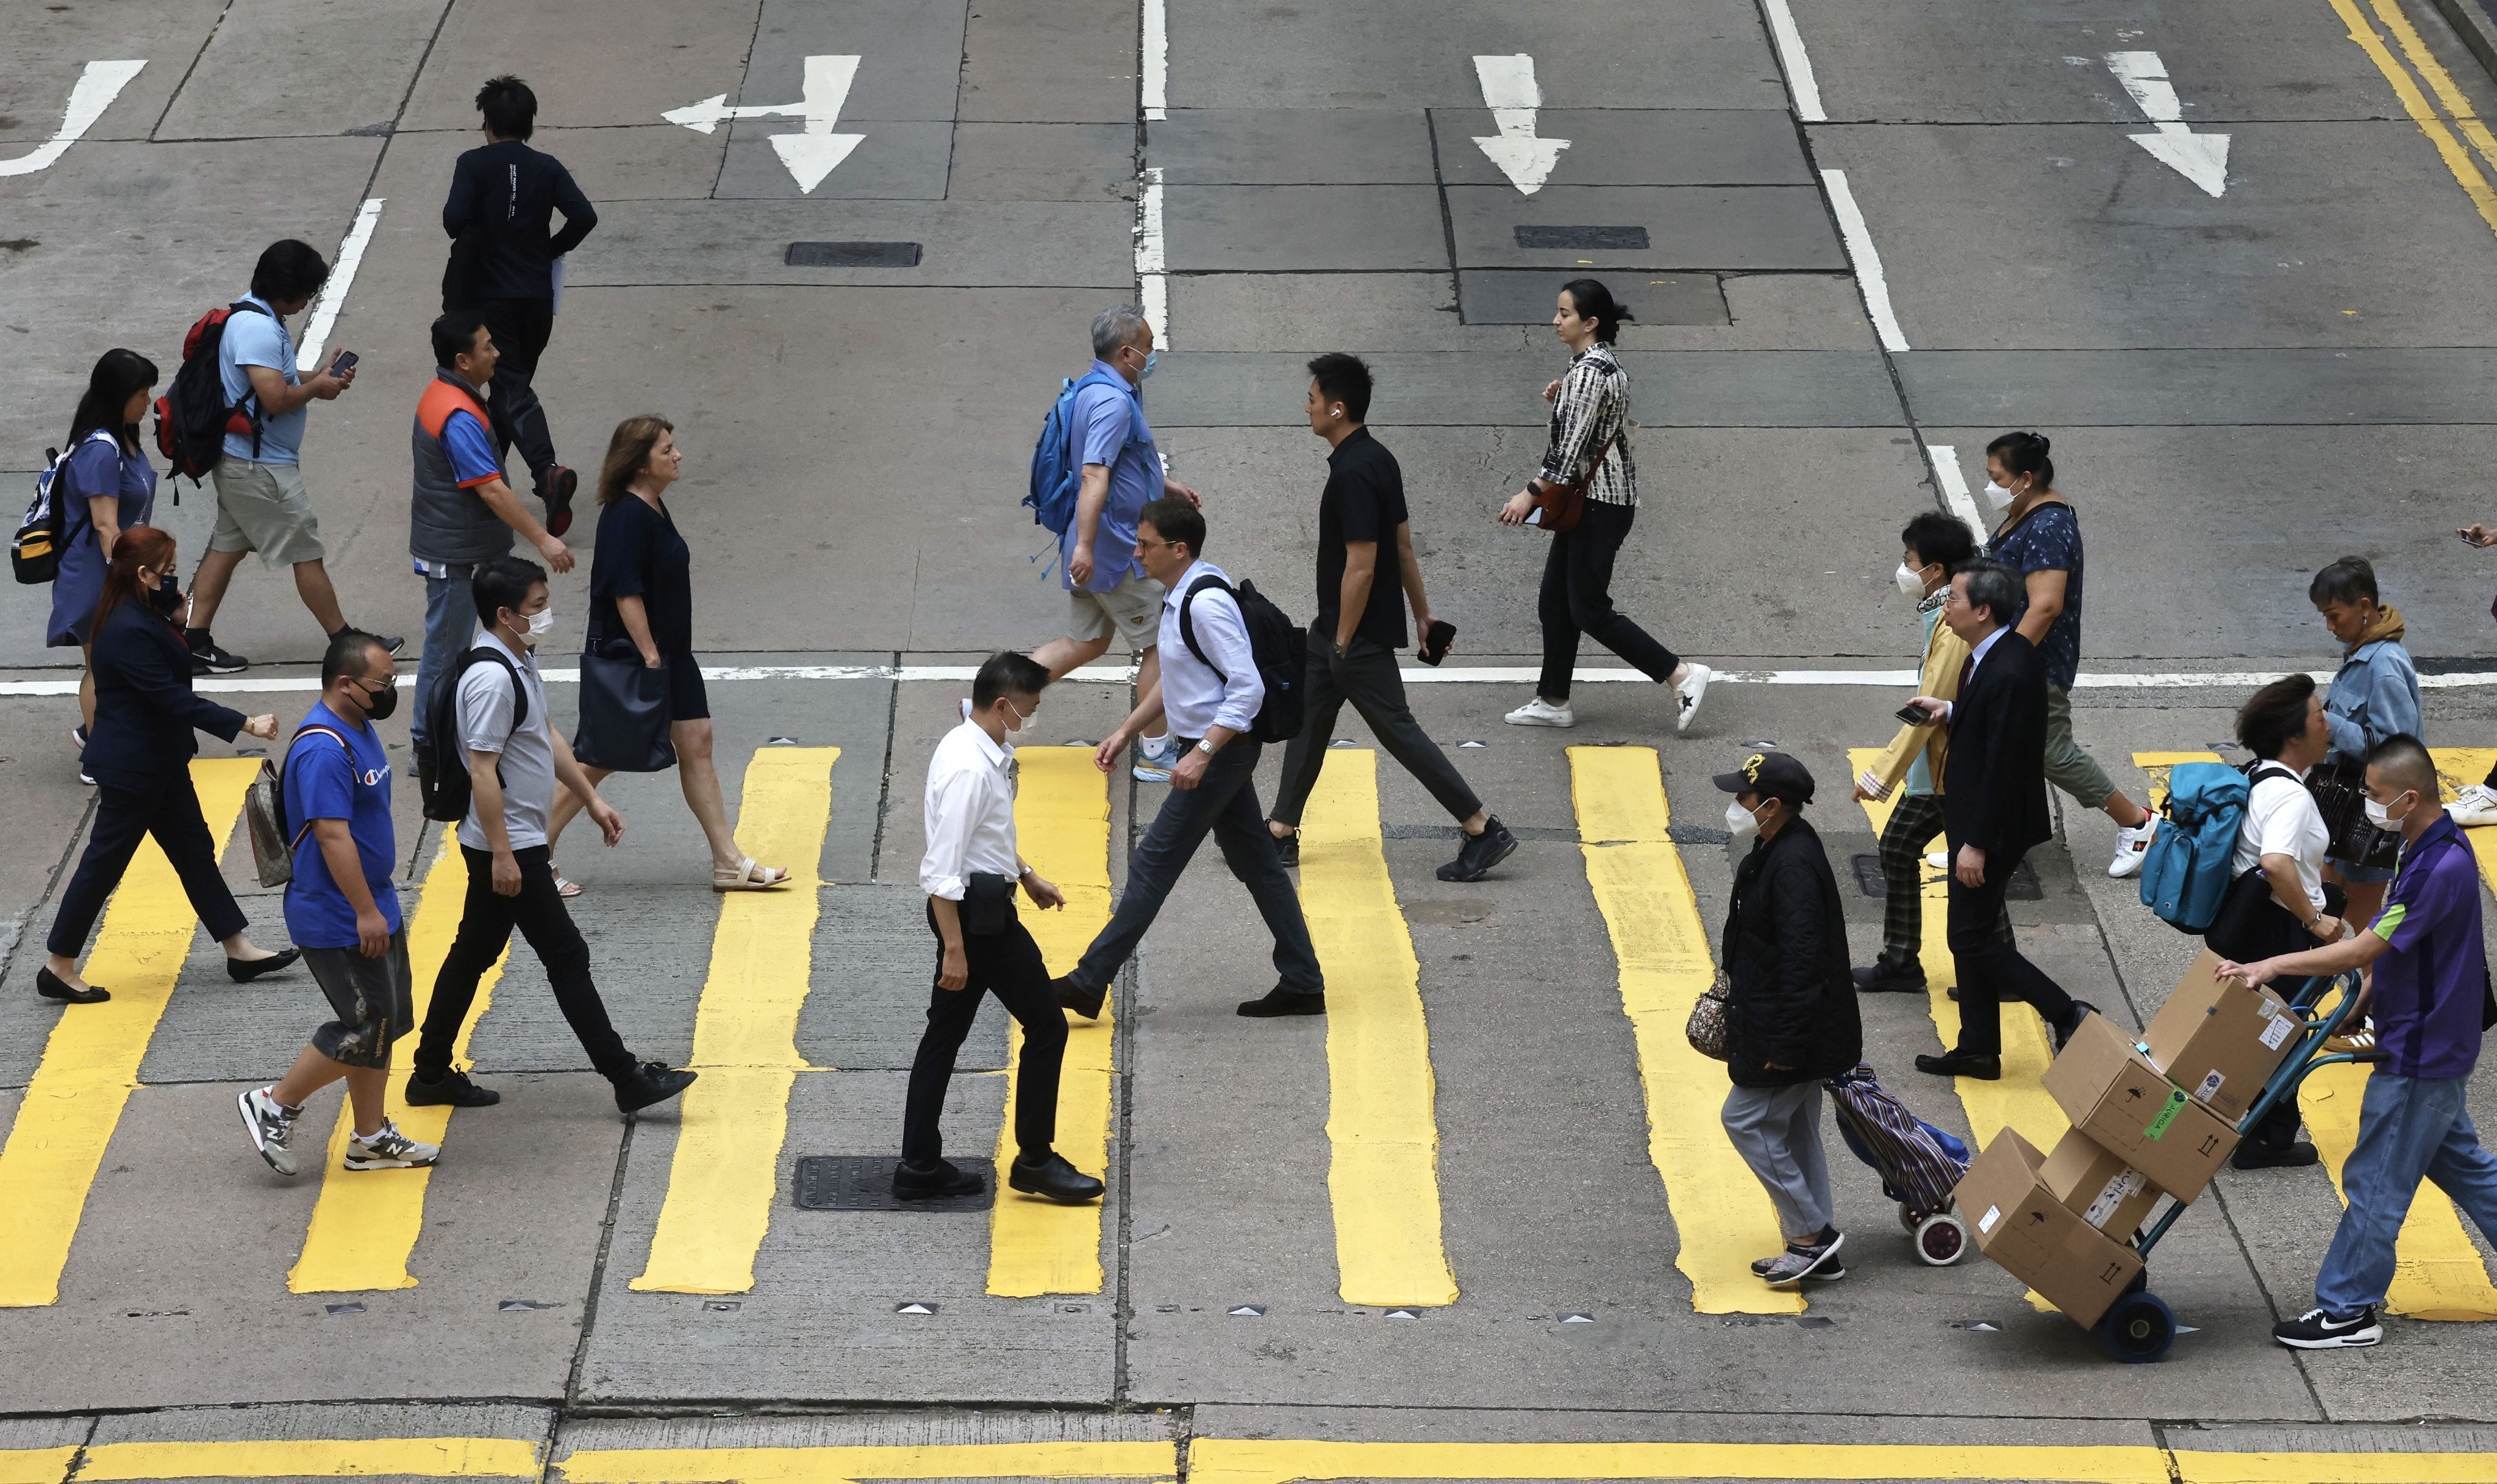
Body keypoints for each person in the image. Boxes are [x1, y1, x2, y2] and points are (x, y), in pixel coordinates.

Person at [2215, 735, 2497, 1351]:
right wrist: (2366, 1000)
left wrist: (2272, 965)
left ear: (2410, 797)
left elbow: (2366, 946)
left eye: (2373, 794)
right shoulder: (2424, 846)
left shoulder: (2438, 867)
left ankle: (2348, 1309)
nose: (2366, 802)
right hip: (2430, 1041)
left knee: (2375, 1180)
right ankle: (2350, 1303)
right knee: (2466, 1167)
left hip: (2422, 1051)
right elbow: (2391, 951)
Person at [403, 556, 697, 1115]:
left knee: (473, 954)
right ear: (504, 614)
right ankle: (626, 1077)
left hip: (509, 842)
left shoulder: (518, 658)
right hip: (507, 845)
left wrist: (590, 798)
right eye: (537, 607)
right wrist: (506, 857)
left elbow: (544, 733)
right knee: (566, 954)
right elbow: (483, 770)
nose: (546, 615)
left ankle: (431, 1072)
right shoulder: (491, 679)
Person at [1051, 498, 1327, 1020]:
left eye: (1146, 544)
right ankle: (1303, 981)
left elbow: (1245, 690)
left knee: (1153, 862)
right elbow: (1183, 681)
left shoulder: (1204, 603)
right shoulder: (1181, 593)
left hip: (1218, 753)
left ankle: (1088, 983)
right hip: (1214, 750)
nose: (1137, 553)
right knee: (1260, 866)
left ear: (1179, 549)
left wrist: (1200, 754)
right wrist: (1127, 730)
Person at [1266, 354, 1517, 882]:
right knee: (1308, 722)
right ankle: (1280, 832)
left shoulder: (1353, 474)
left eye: (1312, 400)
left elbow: (1361, 565)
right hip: (1336, 631)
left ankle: (1480, 826)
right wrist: (1422, 616)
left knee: (1399, 732)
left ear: (1337, 409)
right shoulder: (1379, 458)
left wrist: (1340, 640)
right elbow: (1402, 543)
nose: (1306, 407)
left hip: (1350, 633)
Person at [37, 528, 296, 1004]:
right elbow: (170, 697)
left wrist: (175, 616)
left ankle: (239, 950)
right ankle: (58, 965)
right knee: (103, 866)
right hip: (134, 769)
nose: (175, 580)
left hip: (160, 762)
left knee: (194, 853)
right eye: (169, 572)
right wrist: (245, 724)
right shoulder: (127, 628)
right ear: (142, 574)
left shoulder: (139, 613)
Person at [542, 415, 789, 892]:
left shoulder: (652, 505)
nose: (677, 456)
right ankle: (534, 850)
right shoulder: (626, 516)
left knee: (697, 744)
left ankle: (727, 861)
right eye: (666, 450)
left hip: (672, 656)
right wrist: (651, 655)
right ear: (639, 465)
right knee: (601, 756)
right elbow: (623, 592)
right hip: (638, 657)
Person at [899, 651, 1106, 1203]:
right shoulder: (971, 769)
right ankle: (1034, 1160)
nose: (1031, 718)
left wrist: (1028, 874)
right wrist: (955, 950)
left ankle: (918, 1164)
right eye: (1029, 709)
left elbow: (984, 839)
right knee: (1047, 1026)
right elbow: (941, 873)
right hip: (976, 920)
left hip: (980, 906)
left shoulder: (972, 745)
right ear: (1002, 705)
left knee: (943, 1037)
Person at [235, 630, 440, 1176]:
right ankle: (274, 1103)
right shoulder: (325, 748)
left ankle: (370, 1137)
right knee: (364, 1023)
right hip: (340, 914)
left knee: (386, 1023)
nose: (390, 690)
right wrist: (364, 912)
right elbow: (331, 837)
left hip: (375, 902)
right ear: (346, 684)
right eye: (383, 682)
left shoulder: (359, 725)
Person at [1909, 560, 2097, 1080]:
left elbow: (2005, 764)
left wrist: (1977, 844)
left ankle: (2067, 1012)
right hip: (1978, 819)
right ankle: (1977, 1048)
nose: (1945, 607)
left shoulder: (2011, 668)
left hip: (1992, 827)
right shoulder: (1994, 654)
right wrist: (1949, 712)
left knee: (1968, 938)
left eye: (1954, 600)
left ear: (1983, 611)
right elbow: (1994, 728)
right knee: (1967, 932)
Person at [1498, 279, 1712, 734]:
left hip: (1599, 505)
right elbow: (1599, 424)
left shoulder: (1589, 372)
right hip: (1594, 503)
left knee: (1588, 609)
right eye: (1557, 312)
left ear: (1590, 323)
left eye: (1565, 315)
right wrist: (1564, 403)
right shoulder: (1597, 365)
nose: (1555, 322)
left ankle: (1680, 675)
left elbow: (1568, 450)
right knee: (1555, 604)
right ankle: (1553, 700)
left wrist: (1528, 494)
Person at [185, 239, 400, 676]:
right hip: (260, 468)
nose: (310, 300)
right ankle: (347, 644)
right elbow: (276, 398)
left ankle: (193, 641)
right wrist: (317, 390)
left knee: (227, 547)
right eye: (309, 292)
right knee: (306, 551)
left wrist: (315, 375)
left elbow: (272, 377)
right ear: (288, 289)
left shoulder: (254, 314)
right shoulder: (259, 329)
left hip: (245, 460)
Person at [1712, 751, 1863, 1287]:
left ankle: (1809, 1237)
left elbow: (1806, 964)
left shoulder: (1792, 863)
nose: (1736, 804)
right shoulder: (1777, 844)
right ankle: (1817, 1240)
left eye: (1743, 797)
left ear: (1771, 806)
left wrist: (1788, 1045)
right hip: (1791, 1023)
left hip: (1794, 1030)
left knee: (1745, 1120)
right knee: (1796, 1131)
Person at [1029, 305, 1198, 782]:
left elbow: (1124, 463)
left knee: (1085, 642)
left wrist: (1168, 487)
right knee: (1161, 645)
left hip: (1096, 550)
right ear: (1127, 353)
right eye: (1146, 347)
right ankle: (1155, 750)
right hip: (1116, 553)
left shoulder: (1094, 387)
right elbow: (1094, 474)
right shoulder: (1112, 403)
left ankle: (988, 705)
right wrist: (1086, 546)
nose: (1152, 354)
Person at [1979, 432, 2159, 878]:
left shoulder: (2048, 525)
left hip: (2035, 663)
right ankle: (1993, 836)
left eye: (1995, 477)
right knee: (2002, 746)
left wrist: (2008, 660)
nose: (1990, 486)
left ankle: (2137, 822)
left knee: (2049, 750)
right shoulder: (2022, 514)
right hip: (2016, 656)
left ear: (2024, 478)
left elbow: (2044, 604)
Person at [408, 311, 574, 768]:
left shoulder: (452, 395)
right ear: (463, 360)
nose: (496, 353)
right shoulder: (458, 415)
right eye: (486, 347)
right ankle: (428, 747)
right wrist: (544, 539)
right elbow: (491, 488)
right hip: (455, 554)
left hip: (472, 548)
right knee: (447, 652)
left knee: (489, 640)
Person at [442, 74, 596, 535]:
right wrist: (546, 248)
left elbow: (453, 221)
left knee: (510, 389)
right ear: (529, 124)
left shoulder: (473, 164)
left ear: (486, 122)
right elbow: (584, 217)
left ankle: (547, 473)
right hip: (536, 299)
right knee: (511, 388)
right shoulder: (546, 167)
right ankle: (486, 482)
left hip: (491, 301)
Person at [2208, 674, 2346, 1171]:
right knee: (2283, 1033)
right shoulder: (2290, 796)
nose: (2326, 723)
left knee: (2262, 1031)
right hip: (2280, 928)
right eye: (2317, 716)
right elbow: (2276, 863)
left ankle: (2246, 1126)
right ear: (2294, 735)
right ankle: (2267, 1139)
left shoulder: (2258, 775)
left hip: (2251, 923)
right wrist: (2315, 922)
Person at [1852, 512, 1981, 994]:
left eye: (1910, 561)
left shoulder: (1950, 626)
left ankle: (1905, 961)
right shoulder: (1944, 614)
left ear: (1936, 570)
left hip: (1948, 771)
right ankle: (1910, 960)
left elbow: (1925, 710)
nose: (1903, 568)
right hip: (1948, 767)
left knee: (1908, 850)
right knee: (1969, 868)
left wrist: (1878, 776)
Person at [47, 349, 161, 755]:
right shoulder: (100, 450)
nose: (148, 402)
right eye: (142, 394)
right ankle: (98, 758)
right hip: (100, 576)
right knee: (104, 669)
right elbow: (104, 524)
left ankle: (93, 732)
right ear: (119, 396)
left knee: (123, 664)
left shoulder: (124, 438)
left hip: (115, 570)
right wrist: (132, 576)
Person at [2310, 555, 2421, 940]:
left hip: (2368, 817)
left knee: (2362, 925)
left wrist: (2331, 725)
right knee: (2324, 911)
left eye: (2334, 615)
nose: (2329, 626)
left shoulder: (2384, 664)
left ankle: (2374, 1000)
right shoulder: (2362, 652)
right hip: (2340, 811)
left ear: (2364, 607)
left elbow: (2397, 752)